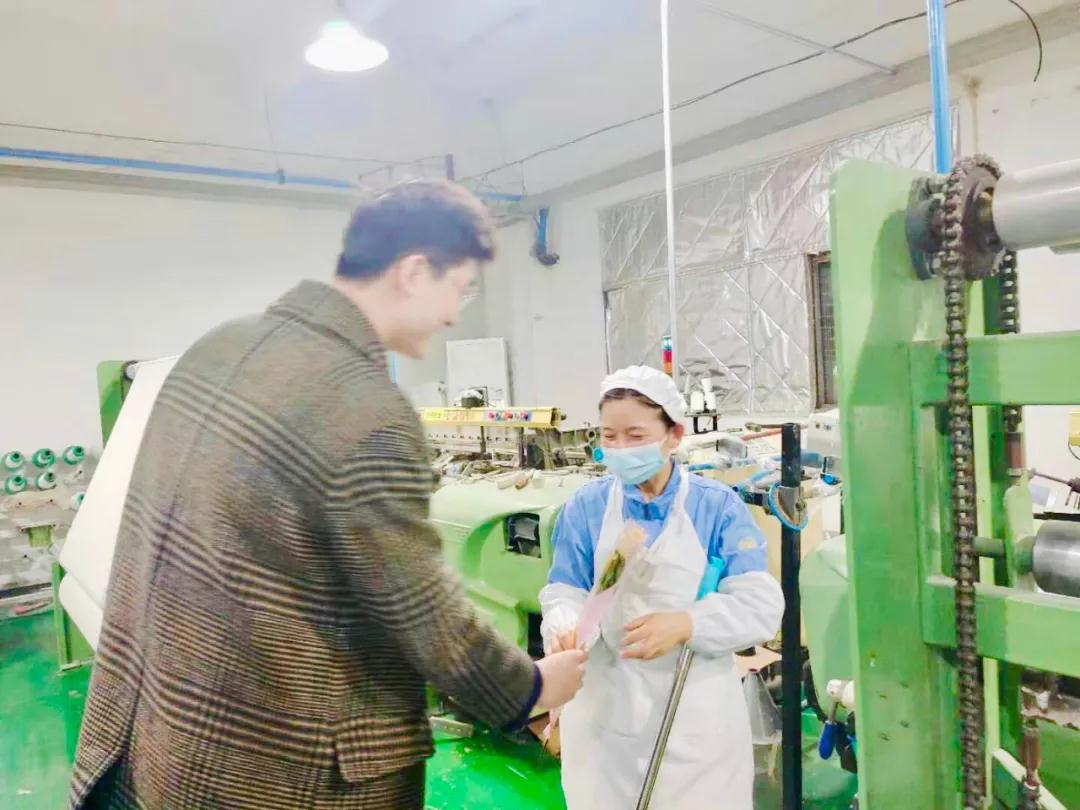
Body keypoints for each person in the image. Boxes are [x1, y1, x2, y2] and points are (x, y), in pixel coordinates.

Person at [70, 180, 587, 810]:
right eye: (459, 288)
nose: (455, 314)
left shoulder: (215, 348)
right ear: (414, 271)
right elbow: (425, 620)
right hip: (280, 773)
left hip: (160, 735)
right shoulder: (365, 406)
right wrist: (533, 688)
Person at [540, 365, 785, 810]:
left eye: (635, 436)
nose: (620, 448)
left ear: (674, 435)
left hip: (695, 723)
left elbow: (760, 604)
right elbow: (565, 590)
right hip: (605, 720)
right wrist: (565, 625)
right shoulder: (587, 507)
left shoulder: (716, 508)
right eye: (609, 436)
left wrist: (688, 623)